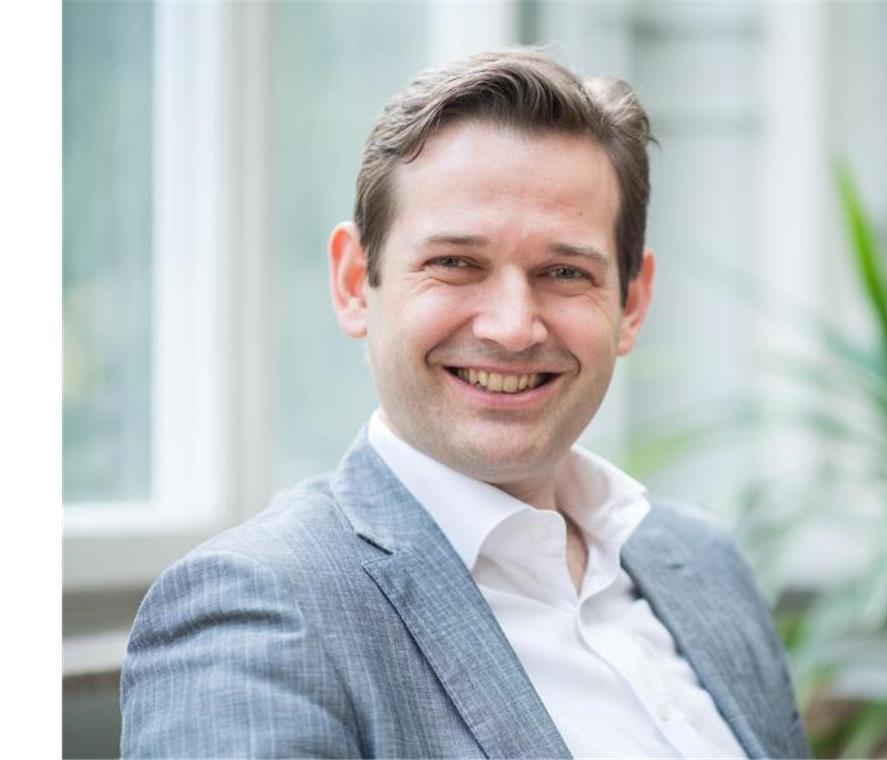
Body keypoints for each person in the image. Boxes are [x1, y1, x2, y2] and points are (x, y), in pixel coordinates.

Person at [120, 49, 809, 759]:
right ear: (355, 282)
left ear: (630, 304)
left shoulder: (706, 566)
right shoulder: (258, 610)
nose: (512, 327)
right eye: (454, 263)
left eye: (564, 271)